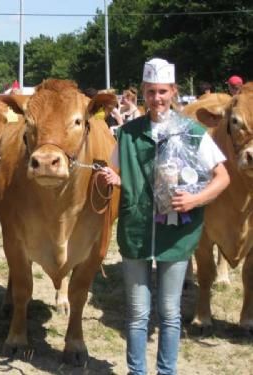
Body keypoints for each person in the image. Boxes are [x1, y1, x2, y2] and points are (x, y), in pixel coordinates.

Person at [100, 58, 230, 375]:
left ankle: (166, 371)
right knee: (137, 312)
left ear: (173, 91)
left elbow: (222, 177)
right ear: (142, 92)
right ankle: (136, 372)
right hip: (136, 232)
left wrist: (196, 198)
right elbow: (116, 171)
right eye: (150, 92)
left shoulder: (193, 133)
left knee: (170, 312)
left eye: (162, 92)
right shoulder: (128, 134)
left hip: (177, 235)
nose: (156, 99)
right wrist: (113, 179)